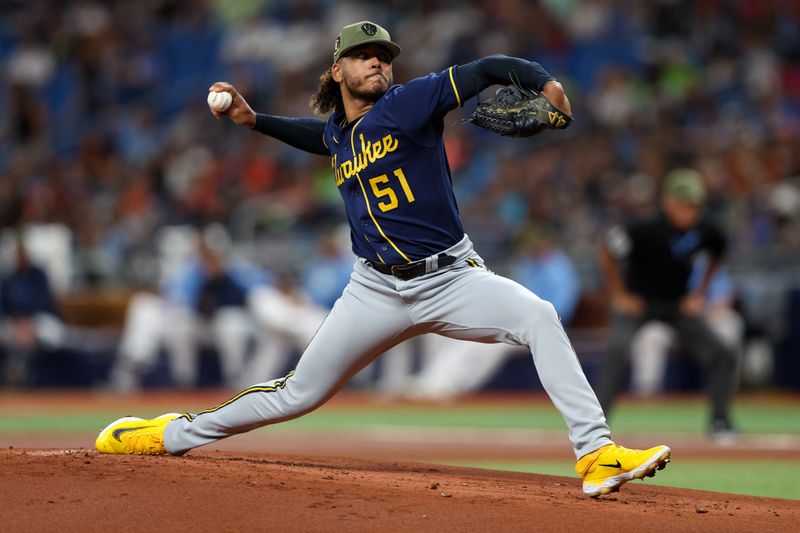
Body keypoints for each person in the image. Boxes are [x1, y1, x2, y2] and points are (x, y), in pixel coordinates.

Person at [96, 20, 670, 498]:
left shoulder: (409, 102)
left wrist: (547, 86)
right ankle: (173, 434)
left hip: (450, 276)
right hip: (372, 290)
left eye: (382, 56)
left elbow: (489, 67)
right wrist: (254, 121)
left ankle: (596, 455)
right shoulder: (341, 134)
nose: (376, 63)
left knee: (540, 316)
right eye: (362, 56)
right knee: (299, 393)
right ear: (337, 71)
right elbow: (320, 137)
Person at [596, 169, 739, 439]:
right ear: (667, 201)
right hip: (640, 304)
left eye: (695, 205)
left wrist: (700, 293)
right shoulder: (643, 227)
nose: (690, 211)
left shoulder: (707, 230)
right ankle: (596, 425)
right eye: (684, 204)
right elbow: (606, 250)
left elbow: (718, 253)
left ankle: (720, 422)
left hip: (677, 305)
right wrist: (619, 295)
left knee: (722, 352)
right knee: (618, 350)